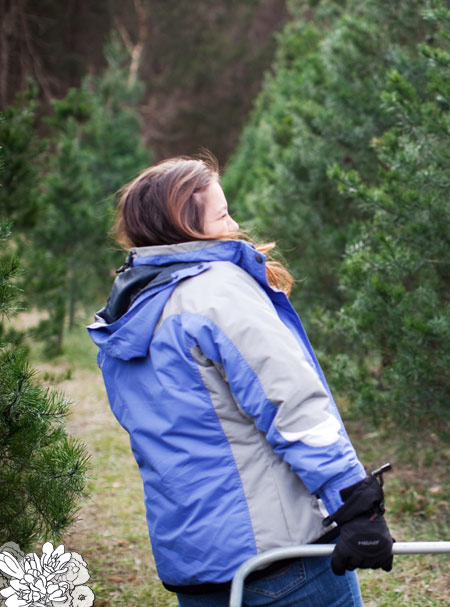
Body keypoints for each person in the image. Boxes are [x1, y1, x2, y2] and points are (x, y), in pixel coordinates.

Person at [87, 155, 393, 607]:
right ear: (185, 227)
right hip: (283, 563)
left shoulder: (127, 311)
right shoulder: (215, 291)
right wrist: (355, 504)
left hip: (195, 568)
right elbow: (293, 406)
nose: (234, 225)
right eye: (222, 214)